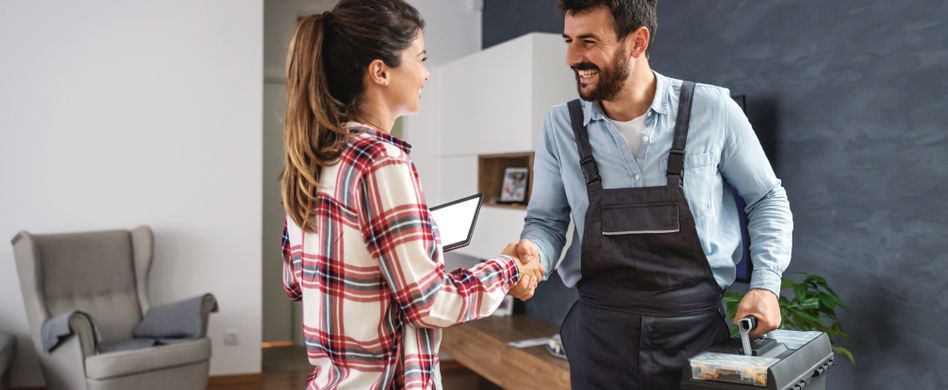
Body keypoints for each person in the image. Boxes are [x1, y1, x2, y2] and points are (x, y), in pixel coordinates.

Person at [515, 0, 794, 388]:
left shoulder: (713, 110)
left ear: (637, 41)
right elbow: (546, 222)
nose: (571, 57)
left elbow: (767, 198)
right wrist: (533, 255)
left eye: (588, 41)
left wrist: (765, 284)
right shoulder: (560, 125)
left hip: (695, 341)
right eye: (569, 40)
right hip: (599, 341)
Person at [278, 1, 543, 388]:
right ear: (380, 72)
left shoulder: (314, 159)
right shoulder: (380, 162)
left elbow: (296, 281)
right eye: (420, 58)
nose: (426, 73)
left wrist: (409, 243)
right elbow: (430, 302)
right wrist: (508, 268)